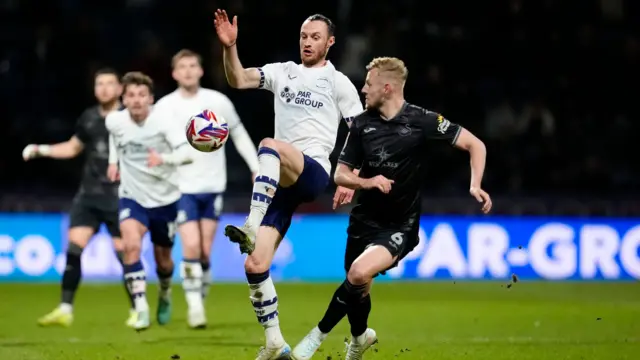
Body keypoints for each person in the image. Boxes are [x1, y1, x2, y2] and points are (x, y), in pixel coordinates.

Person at [291, 57, 492, 360]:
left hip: (400, 225)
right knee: (358, 289)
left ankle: (317, 335)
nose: (363, 89)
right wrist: (367, 182)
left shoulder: (423, 121)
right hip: (363, 221)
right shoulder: (360, 125)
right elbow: (341, 174)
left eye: (368, 84)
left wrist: (475, 184)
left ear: (387, 88)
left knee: (358, 273)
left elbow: (476, 144)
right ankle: (360, 339)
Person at [214, 10, 363, 359]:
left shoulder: (338, 82)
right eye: (303, 36)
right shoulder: (283, 72)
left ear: (330, 42)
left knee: (269, 144)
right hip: (281, 182)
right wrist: (230, 47)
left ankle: (250, 224)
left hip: (312, 171)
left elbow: (361, 132)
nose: (307, 42)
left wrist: (350, 178)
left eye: (315, 37)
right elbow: (238, 79)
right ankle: (275, 342)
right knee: (254, 265)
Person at [154, 49, 259, 328]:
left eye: (192, 65)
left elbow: (238, 133)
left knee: (203, 251)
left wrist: (254, 167)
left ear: (201, 70)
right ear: (174, 73)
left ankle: (198, 293)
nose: (188, 71)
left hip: (213, 184)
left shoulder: (217, 101)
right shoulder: (163, 107)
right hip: (181, 186)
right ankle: (195, 307)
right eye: (182, 67)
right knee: (190, 244)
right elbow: (154, 144)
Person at [27, 68, 137, 328]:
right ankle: (65, 309)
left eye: (110, 83)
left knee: (125, 254)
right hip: (88, 196)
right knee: (74, 249)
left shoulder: (131, 118)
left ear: (120, 89)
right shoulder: (88, 117)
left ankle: (137, 309)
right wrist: (41, 150)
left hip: (119, 197)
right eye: (100, 83)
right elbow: (73, 147)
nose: (105, 88)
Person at [106, 71, 193, 331]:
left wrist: (163, 160)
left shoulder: (164, 122)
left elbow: (187, 153)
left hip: (165, 200)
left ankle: (164, 292)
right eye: (131, 95)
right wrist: (113, 161)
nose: (136, 100)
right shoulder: (114, 121)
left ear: (150, 99)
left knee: (163, 260)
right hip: (133, 197)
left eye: (142, 95)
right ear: (123, 99)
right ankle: (141, 307)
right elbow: (115, 138)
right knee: (130, 246)